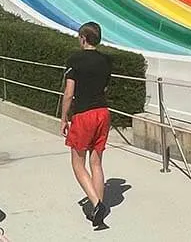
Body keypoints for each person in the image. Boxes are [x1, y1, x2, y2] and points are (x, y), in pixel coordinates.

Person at [60, 22, 112, 228]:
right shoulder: (106, 60)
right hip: (103, 112)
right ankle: (98, 208)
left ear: (83, 38)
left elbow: (69, 92)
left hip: (84, 114)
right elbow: (105, 87)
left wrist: (64, 117)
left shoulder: (75, 60)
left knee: (77, 162)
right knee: (96, 162)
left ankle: (96, 204)